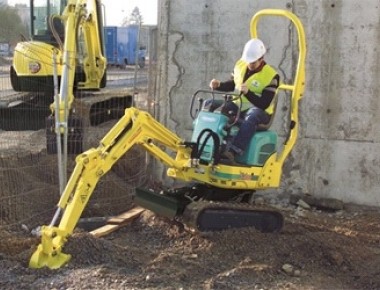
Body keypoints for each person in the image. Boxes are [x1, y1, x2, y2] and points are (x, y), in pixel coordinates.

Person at [209, 38, 280, 163]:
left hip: (260, 113)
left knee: (252, 115)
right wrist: (219, 85)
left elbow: (264, 104)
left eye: (252, 63)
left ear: (261, 59)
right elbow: (233, 84)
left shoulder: (271, 76)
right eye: (248, 61)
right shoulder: (241, 64)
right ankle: (210, 146)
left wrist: (248, 93)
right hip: (239, 106)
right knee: (213, 106)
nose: (249, 65)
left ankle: (233, 152)